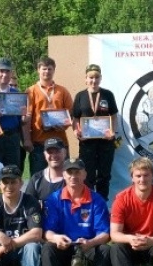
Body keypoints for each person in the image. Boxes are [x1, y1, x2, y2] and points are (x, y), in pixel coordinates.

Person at [41, 158, 111, 266]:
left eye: (77, 172)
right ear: (64, 175)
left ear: (84, 174)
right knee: (47, 249)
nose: (74, 176)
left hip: (87, 245)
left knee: (106, 251)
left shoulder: (97, 200)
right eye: (70, 172)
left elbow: (106, 234)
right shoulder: (54, 199)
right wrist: (56, 238)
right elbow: (46, 232)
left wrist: (91, 242)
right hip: (63, 245)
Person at [72, 64, 119, 200]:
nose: (94, 80)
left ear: (100, 78)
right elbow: (75, 118)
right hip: (87, 143)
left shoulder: (107, 94)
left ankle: (102, 203)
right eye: (91, 77)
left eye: (96, 77)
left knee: (104, 175)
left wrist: (113, 131)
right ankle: (89, 203)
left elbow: (114, 116)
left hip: (106, 143)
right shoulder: (80, 96)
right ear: (86, 79)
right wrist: (76, 131)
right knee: (87, 175)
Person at [23, 56, 74, 174]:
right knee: (38, 177)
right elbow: (27, 117)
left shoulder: (62, 91)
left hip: (60, 143)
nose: (47, 72)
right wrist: (27, 140)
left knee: (63, 177)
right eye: (44, 69)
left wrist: (65, 124)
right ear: (38, 70)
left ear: (54, 70)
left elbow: (70, 113)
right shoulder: (31, 91)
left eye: (50, 69)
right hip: (39, 143)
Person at [24, 137, 67, 206]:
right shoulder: (36, 179)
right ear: (44, 155)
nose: (53, 155)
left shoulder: (73, 178)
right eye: (50, 152)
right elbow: (28, 206)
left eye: (57, 151)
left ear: (65, 152)